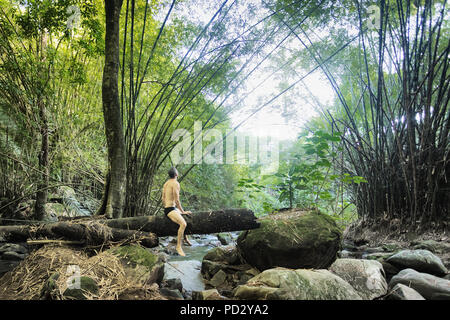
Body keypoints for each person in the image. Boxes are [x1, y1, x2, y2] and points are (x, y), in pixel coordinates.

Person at [162, 167, 192, 256]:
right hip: (171, 210)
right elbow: (177, 200)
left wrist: (170, 208)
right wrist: (182, 211)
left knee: (185, 217)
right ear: (176, 175)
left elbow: (163, 198)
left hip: (169, 208)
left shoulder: (166, 183)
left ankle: (186, 238)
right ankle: (178, 246)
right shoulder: (175, 183)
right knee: (183, 224)